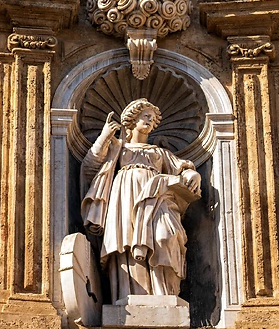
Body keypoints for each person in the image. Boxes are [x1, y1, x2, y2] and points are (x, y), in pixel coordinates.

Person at [82, 99, 201, 300]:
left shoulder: (160, 152)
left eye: (153, 119)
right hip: (125, 196)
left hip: (158, 198)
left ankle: (164, 295)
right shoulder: (118, 148)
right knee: (126, 241)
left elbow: (183, 168)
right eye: (146, 116)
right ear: (132, 120)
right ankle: (128, 296)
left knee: (165, 236)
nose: (150, 120)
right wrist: (104, 137)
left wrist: (192, 174)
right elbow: (89, 167)